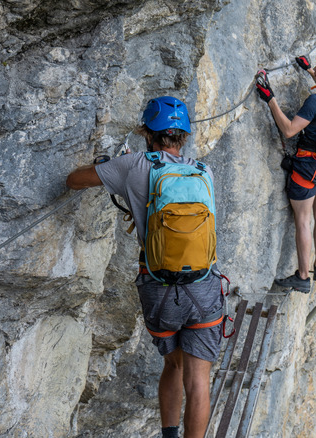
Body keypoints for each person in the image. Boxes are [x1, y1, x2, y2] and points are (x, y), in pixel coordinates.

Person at [66, 96, 223, 438]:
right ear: (183, 136)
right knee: (198, 379)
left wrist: (111, 167)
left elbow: (74, 180)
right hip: (204, 285)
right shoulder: (203, 170)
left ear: (146, 132)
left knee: (173, 363)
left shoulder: (134, 165)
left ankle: (168, 434)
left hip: (159, 288)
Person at [256, 47, 316, 293]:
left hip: (307, 169)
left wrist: (270, 99)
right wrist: (308, 69)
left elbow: (289, 130)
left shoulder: (315, 101)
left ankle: (302, 276)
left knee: (303, 219)